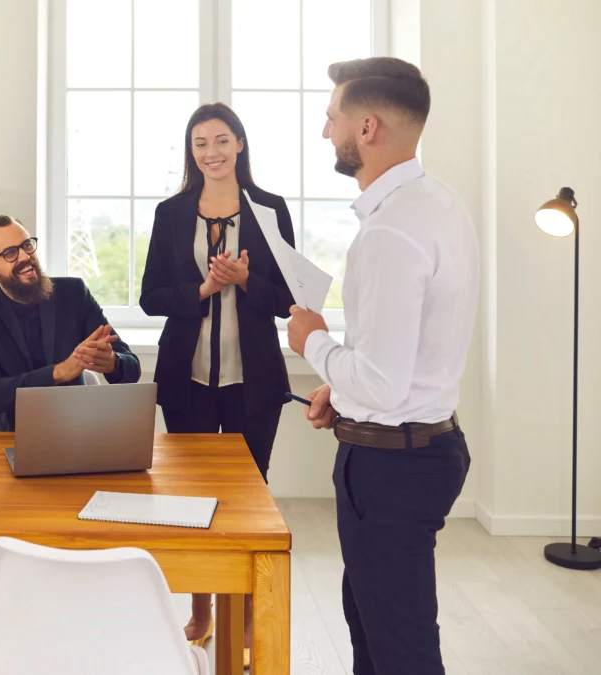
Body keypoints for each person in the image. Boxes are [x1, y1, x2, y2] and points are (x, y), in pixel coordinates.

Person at [287, 57, 478, 675]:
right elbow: (398, 363)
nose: (326, 132)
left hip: (392, 465)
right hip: (405, 447)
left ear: (366, 127)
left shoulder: (391, 232)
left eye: (332, 117)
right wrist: (341, 399)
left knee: (401, 648)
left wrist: (311, 342)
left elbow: (384, 382)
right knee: (370, 622)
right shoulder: (437, 204)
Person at [139, 102, 296, 660]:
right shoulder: (171, 212)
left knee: (248, 499)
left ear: (241, 145)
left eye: (222, 140)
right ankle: (201, 606)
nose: (212, 152)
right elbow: (151, 296)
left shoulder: (272, 210)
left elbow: (289, 300)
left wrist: (248, 279)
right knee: (191, 497)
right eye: (201, 143)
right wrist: (203, 290)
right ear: (192, 151)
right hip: (187, 380)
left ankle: (250, 611)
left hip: (254, 382)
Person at [0, 215, 141, 432]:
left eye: (27, 245)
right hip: (8, 435)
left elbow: (132, 368)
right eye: (10, 253)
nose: (25, 256)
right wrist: (57, 373)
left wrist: (112, 362)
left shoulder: (73, 294)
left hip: (74, 430)